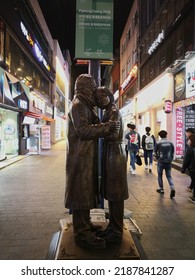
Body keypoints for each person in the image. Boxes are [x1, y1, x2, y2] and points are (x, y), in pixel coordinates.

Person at [64, 74, 119, 249]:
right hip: (79, 159)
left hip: (86, 156)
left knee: (85, 192)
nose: (95, 91)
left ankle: (85, 224)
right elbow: (83, 131)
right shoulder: (78, 105)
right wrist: (106, 127)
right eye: (93, 87)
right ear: (86, 88)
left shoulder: (86, 105)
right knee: (81, 193)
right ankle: (82, 234)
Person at [94, 87, 129, 243]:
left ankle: (116, 230)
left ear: (109, 96)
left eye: (102, 96)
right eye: (97, 97)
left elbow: (113, 133)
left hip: (115, 152)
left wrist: (100, 130)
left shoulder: (113, 111)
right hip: (111, 151)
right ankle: (113, 226)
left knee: (116, 192)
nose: (100, 99)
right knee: (113, 192)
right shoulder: (109, 111)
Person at [154, 130, 175, 199]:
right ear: (166, 135)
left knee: (160, 175)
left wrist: (158, 158)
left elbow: (155, 152)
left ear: (160, 136)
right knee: (169, 176)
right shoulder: (170, 143)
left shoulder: (158, 143)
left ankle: (161, 189)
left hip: (161, 162)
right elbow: (172, 152)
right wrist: (170, 159)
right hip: (168, 162)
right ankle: (172, 187)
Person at [181, 134, 195, 203]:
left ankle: (194, 197)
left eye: (189, 139)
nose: (188, 141)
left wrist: (183, 169)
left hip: (193, 168)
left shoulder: (189, 149)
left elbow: (186, 160)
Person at [185, 128, 195, 192]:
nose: (186, 134)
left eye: (187, 132)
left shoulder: (191, 139)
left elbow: (187, 158)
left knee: (193, 178)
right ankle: (191, 187)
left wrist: (183, 168)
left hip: (192, 164)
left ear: (189, 132)